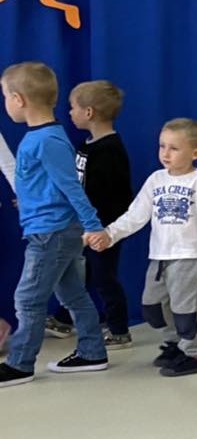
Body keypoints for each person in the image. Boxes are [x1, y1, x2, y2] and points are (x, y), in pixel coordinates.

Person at [88, 119, 197, 375]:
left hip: (190, 256)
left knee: (185, 311)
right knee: (153, 307)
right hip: (160, 256)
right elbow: (135, 215)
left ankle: (194, 354)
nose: (165, 153)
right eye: (162, 146)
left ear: (195, 153)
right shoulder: (156, 180)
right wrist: (109, 234)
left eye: (174, 148)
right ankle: (175, 343)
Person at [0, 61, 108, 384]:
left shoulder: (47, 140)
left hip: (52, 234)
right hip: (50, 229)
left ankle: (19, 364)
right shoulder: (41, 137)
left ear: (18, 100)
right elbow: (46, 184)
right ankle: (92, 351)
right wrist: (28, 200)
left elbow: (72, 187)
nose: (5, 103)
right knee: (73, 294)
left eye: (5, 96)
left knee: (28, 299)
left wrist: (94, 225)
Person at [49, 79, 132, 348]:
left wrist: (102, 231)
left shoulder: (110, 150)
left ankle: (119, 329)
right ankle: (63, 319)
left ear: (89, 112)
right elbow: (78, 186)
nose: (69, 112)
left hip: (103, 229)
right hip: (86, 226)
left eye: (73, 107)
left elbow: (113, 197)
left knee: (103, 277)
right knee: (80, 274)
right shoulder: (88, 145)